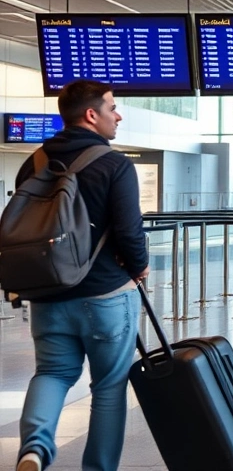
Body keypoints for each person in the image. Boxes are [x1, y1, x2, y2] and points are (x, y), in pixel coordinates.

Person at [15, 80, 149, 471]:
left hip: (48, 293)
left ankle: (34, 450)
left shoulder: (35, 162)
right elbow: (129, 231)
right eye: (112, 107)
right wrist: (139, 266)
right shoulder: (114, 164)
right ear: (92, 115)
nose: (118, 115)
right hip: (106, 294)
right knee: (108, 387)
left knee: (52, 373)